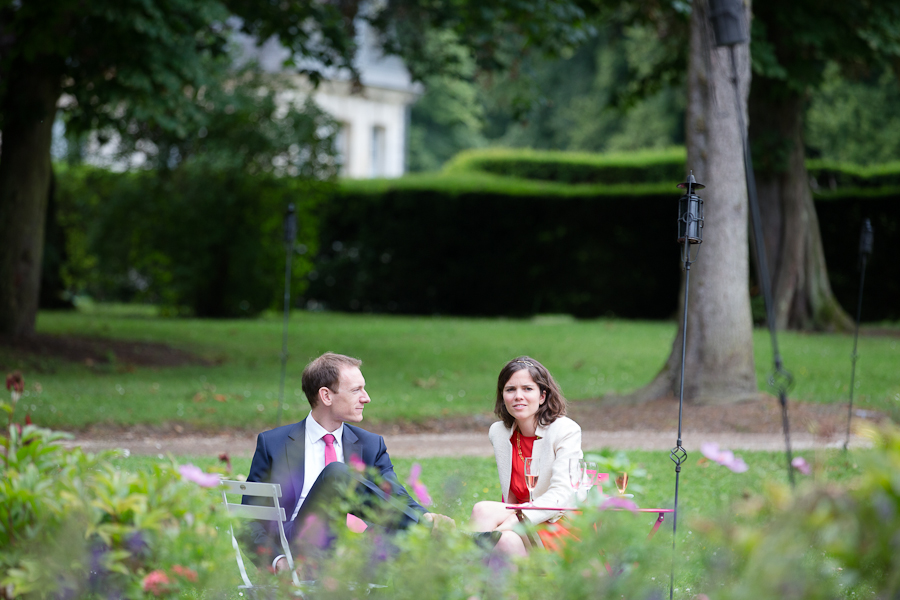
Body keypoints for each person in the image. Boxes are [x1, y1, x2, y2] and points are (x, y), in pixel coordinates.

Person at [243, 352, 454, 572]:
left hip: (359, 543)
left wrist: (429, 519)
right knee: (337, 474)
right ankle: (448, 539)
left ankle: (454, 541)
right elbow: (249, 519)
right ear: (326, 396)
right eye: (356, 390)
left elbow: (394, 497)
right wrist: (277, 562)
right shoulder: (274, 444)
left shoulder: (371, 444)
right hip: (299, 543)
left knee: (396, 535)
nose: (366, 397)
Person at [469, 356, 583, 556]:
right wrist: (512, 520)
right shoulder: (499, 432)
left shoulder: (565, 430)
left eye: (527, 389)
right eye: (510, 389)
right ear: (502, 396)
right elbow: (510, 500)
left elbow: (562, 495)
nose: (518, 396)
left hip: (558, 522)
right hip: (518, 516)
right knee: (482, 510)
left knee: (504, 537)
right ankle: (475, 580)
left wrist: (514, 521)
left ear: (542, 396)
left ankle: (473, 566)